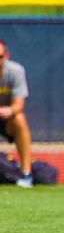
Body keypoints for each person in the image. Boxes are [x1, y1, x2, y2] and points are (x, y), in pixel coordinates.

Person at [0, 39, 33, 188]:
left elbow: (18, 105)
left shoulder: (15, 71)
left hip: (6, 120)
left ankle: (26, 172)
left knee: (20, 118)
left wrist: (9, 110)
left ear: (6, 56)